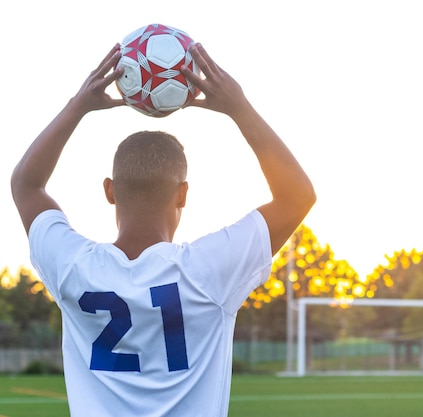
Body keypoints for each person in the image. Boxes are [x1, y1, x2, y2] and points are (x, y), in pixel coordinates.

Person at [10, 42, 316, 417]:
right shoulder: (209, 271)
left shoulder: (72, 267)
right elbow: (298, 195)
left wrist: (78, 105)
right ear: (182, 193)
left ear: (109, 191)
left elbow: (27, 185)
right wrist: (238, 106)